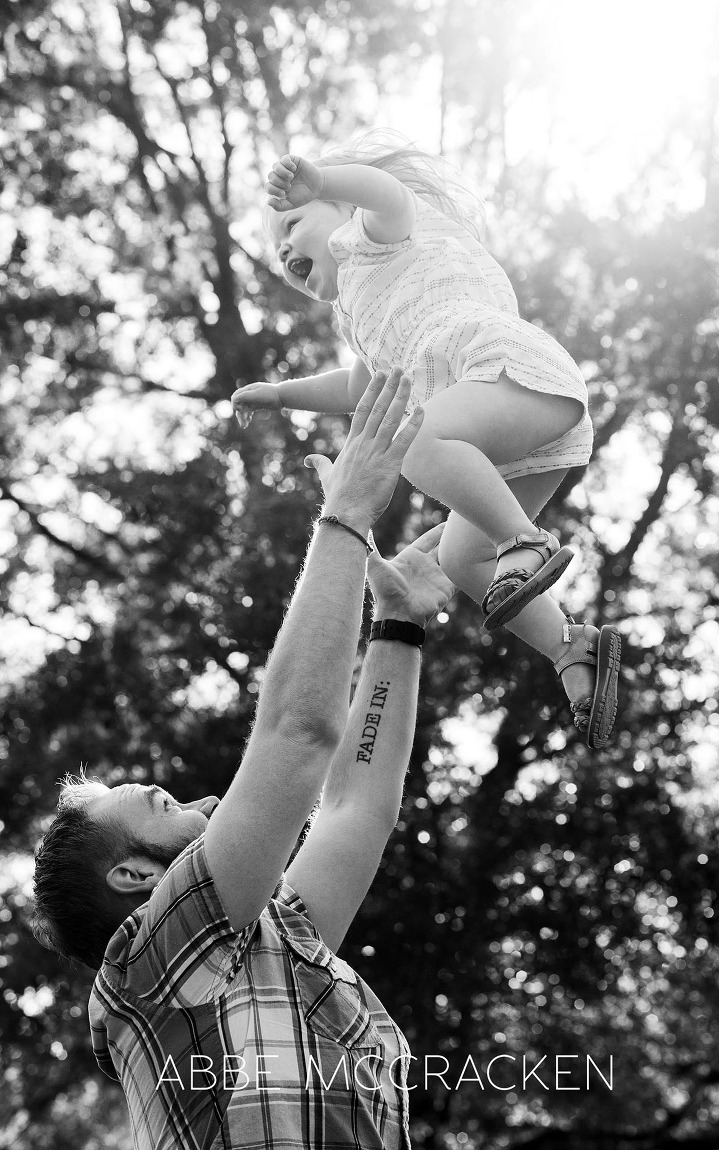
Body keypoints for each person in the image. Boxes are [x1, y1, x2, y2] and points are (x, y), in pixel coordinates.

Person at [32, 368, 455, 1150]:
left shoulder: (272, 938)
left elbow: (354, 807)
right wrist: (346, 515)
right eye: (157, 804)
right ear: (135, 878)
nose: (185, 795)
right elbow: (296, 735)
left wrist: (397, 628)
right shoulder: (146, 962)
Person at [231, 134, 621, 750]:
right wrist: (282, 394)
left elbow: (383, 192)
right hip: (502, 431)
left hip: (507, 370)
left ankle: (523, 540)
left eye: (293, 222)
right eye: (275, 249)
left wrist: (326, 180)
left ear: (337, 209)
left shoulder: (377, 235)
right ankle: (572, 648)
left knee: (413, 443)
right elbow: (357, 388)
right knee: (464, 562)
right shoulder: (361, 322)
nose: (283, 250)